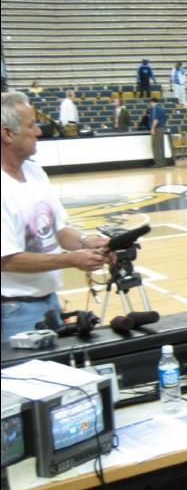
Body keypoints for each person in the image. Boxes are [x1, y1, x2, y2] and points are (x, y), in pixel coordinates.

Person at [1, 92, 108, 343]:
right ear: (7, 134)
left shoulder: (34, 171)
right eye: (31, 126)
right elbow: (6, 260)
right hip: (14, 310)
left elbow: (58, 229)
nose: (38, 131)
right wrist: (70, 260)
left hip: (48, 300)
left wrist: (85, 242)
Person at [149, 97, 168, 168]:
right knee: (161, 146)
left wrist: (153, 128)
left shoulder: (155, 108)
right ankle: (163, 162)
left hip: (157, 128)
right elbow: (165, 118)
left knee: (156, 146)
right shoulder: (161, 108)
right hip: (162, 128)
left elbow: (155, 119)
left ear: (152, 102)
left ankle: (158, 162)